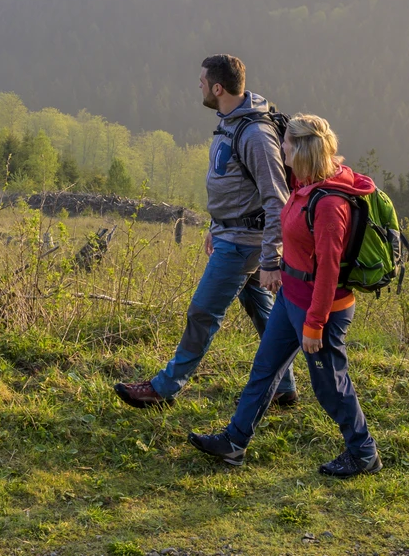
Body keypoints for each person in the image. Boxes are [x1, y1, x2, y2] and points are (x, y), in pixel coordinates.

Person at [188, 113, 382, 478]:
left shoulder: (328, 206)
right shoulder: (304, 182)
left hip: (319, 310)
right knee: (264, 370)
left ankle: (364, 452)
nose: (282, 149)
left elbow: (327, 271)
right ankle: (235, 442)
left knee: (330, 385)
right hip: (291, 299)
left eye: (287, 144)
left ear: (303, 151)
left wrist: (314, 324)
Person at [114, 55, 297, 409]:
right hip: (232, 234)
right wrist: (217, 224)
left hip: (244, 243)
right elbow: (231, 184)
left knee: (202, 312)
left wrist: (272, 259)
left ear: (218, 87)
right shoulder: (231, 122)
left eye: (202, 81)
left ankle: (164, 388)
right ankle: (283, 385)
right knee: (261, 308)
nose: (197, 85)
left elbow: (277, 200)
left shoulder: (256, 135)